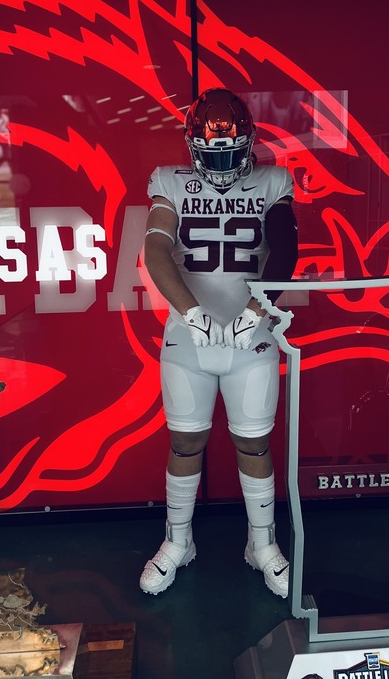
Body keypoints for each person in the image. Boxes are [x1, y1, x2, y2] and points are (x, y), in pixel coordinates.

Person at [139, 87, 298, 597]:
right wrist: (191, 312)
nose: (223, 165)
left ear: (248, 143)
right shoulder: (170, 181)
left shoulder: (273, 180)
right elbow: (156, 250)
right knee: (185, 441)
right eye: (213, 154)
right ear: (192, 147)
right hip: (189, 336)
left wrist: (257, 309)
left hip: (253, 335)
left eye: (232, 153)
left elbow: (285, 249)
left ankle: (262, 544)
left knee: (254, 441)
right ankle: (177, 540)